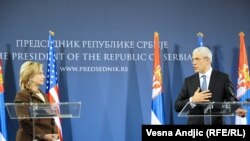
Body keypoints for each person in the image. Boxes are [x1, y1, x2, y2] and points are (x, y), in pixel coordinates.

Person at [175, 46, 246, 125]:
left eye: (197, 59)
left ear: (207, 60)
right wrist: (192, 100)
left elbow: (232, 100)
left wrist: (237, 109)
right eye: (193, 59)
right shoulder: (188, 81)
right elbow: (177, 106)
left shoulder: (223, 78)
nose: (194, 62)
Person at [14, 61, 59, 141]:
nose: (44, 76)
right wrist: (43, 136)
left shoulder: (44, 95)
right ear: (30, 77)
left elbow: (51, 118)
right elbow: (24, 121)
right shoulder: (22, 95)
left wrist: (54, 134)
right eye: (40, 73)